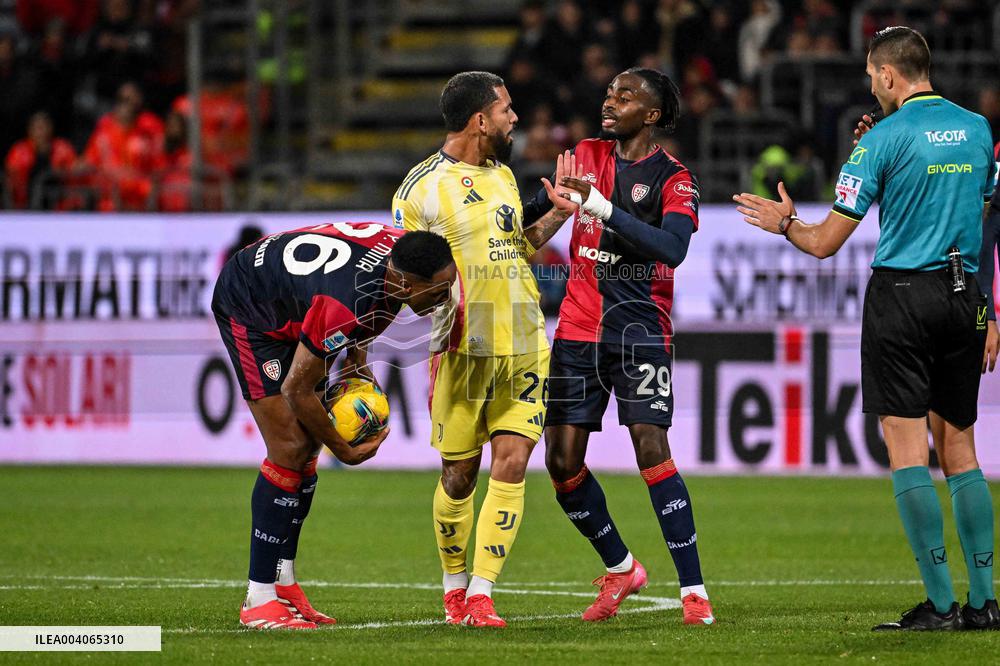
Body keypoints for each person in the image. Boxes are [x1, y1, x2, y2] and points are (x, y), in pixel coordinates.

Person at [734, 26, 997, 631]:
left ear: (887, 75)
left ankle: (937, 605)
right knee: (961, 449)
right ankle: (985, 604)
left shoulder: (880, 138)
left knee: (906, 448)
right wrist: (990, 311)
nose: (870, 86)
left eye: (871, 77)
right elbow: (981, 215)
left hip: (903, 297)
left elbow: (826, 243)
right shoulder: (979, 129)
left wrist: (785, 224)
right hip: (966, 297)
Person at [522, 67, 715, 626]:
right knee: (561, 465)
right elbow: (544, 204)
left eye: (625, 96)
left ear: (651, 115)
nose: (611, 101)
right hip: (578, 332)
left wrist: (603, 209)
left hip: (639, 333)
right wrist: (531, 210)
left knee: (651, 448)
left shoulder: (674, 178)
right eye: (609, 92)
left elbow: (673, 248)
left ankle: (694, 591)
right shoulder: (584, 154)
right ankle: (621, 566)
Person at [391, 71, 577, 628]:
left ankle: (481, 594)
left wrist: (560, 214)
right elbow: (406, 281)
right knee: (459, 476)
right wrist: (445, 310)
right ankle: (453, 585)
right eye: (506, 110)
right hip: (463, 349)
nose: (514, 118)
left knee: (514, 463)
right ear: (479, 120)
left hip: (523, 339)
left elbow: (517, 247)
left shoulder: (501, 175)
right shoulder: (419, 190)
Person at [212, 223, 457, 630]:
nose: (446, 297)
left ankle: (283, 583)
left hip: (299, 296)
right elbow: (296, 389)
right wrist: (343, 451)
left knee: (305, 447)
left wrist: (359, 365)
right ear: (404, 281)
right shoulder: (348, 299)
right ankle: (258, 598)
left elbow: (370, 313)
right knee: (290, 445)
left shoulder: (405, 258)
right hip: (250, 302)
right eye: (438, 290)